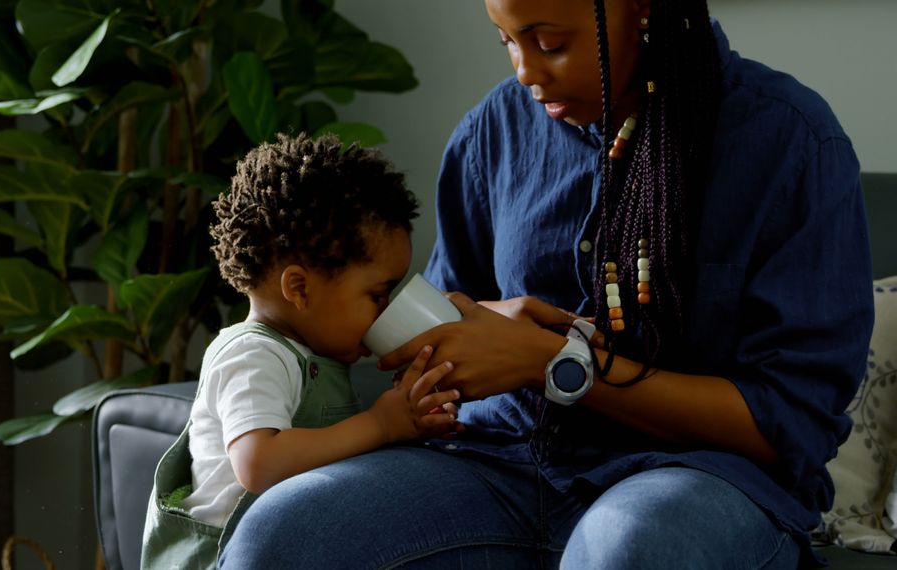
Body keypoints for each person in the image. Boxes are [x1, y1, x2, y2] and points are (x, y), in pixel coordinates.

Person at [218, 1, 873, 569]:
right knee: (279, 535)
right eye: (506, 40)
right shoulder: (491, 135)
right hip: (495, 462)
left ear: (640, 6)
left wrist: (553, 363)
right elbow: (435, 345)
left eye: (549, 42)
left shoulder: (786, 142)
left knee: (631, 550)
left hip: (696, 477)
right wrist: (473, 326)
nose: (525, 71)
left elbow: (791, 423)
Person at [140, 133, 460, 569]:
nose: (385, 312)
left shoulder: (311, 354)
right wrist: (381, 425)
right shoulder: (253, 356)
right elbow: (259, 463)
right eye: (378, 295)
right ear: (300, 288)